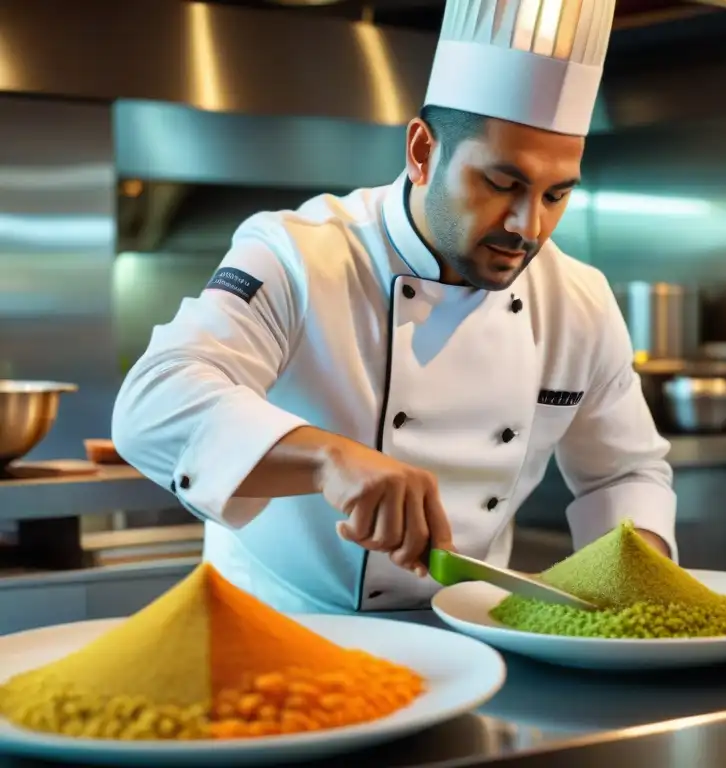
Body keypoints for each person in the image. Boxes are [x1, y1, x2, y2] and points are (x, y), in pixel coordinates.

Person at [111, 0, 678, 614]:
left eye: (556, 195)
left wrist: (636, 589)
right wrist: (329, 458)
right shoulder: (298, 253)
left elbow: (624, 473)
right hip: (277, 629)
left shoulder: (578, 299)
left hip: (469, 641)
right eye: (502, 184)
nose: (527, 226)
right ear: (421, 151)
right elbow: (153, 402)